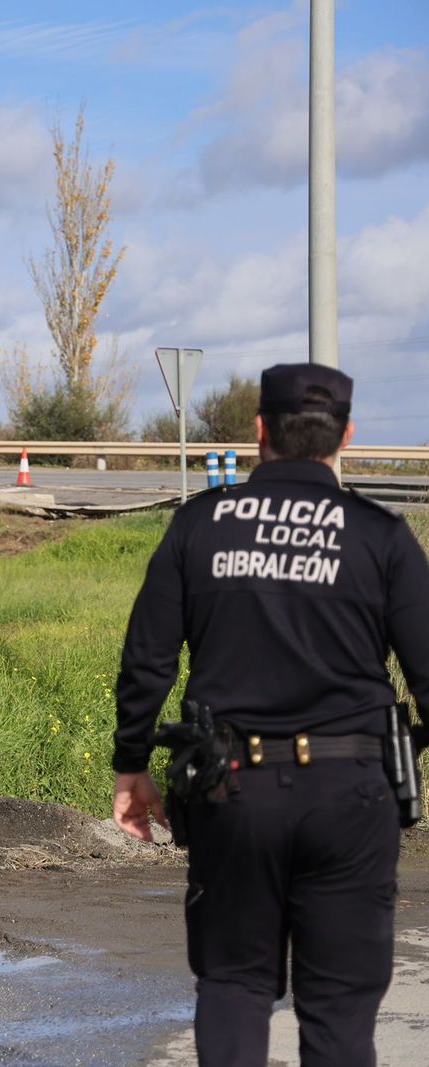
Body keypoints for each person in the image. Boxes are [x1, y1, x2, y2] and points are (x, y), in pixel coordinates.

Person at [111, 364, 429, 1066]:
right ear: (345, 435)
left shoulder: (201, 524)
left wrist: (131, 762)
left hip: (231, 789)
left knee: (233, 984)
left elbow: (147, 657)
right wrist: (398, 750)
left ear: (259, 432)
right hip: (352, 793)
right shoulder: (383, 537)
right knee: (341, 1012)